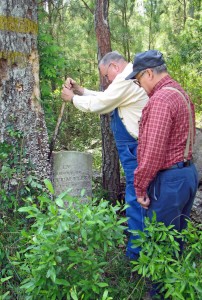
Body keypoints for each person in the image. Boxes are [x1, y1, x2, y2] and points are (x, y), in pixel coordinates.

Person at [61, 51, 148, 260]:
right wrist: (81, 91)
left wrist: (72, 99)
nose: (107, 81)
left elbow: (101, 104)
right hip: (134, 146)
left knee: (136, 196)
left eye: (106, 76)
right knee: (138, 194)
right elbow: (106, 97)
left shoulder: (126, 79)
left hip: (134, 147)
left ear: (114, 67)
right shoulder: (130, 76)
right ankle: (140, 245)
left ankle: (136, 254)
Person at [125, 49, 199, 237]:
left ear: (148, 73)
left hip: (169, 181)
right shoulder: (179, 93)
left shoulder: (160, 100)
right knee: (176, 238)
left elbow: (153, 152)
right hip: (187, 175)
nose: (139, 86)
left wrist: (140, 188)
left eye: (138, 80)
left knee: (160, 241)